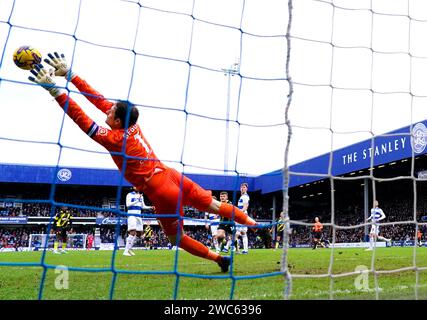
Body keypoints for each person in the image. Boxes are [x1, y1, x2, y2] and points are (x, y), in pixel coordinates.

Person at [28, 53, 270, 272]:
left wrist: (54, 90)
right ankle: (256, 224)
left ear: (118, 120)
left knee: (177, 239)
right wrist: (70, 75)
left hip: (161, 190)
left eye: (111, 113)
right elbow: (98, 99)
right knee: (216, 207)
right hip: (172, 175)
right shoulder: (131, 124)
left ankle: (219, 259)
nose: (107, 112)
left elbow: (82, 119)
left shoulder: (114, 138)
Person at [124, 186, 155, 256]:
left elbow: (143, 206)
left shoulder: (141, 196)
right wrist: (137, 200)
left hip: (138, 216)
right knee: (132, 232)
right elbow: (127, 205)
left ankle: (129, 249)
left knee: (139, 234)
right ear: (133, 187)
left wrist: (150, 207)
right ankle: (125, 251)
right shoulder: (129, 195)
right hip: (131, 215)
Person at [234, 183, 250, 254]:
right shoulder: (243, 196)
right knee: (243, 233)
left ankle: (229, 247)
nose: (242, 188)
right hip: (243, 215)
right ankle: (245, 250)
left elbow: (245, 207)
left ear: (246, 189)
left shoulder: (245, 197)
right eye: (241, 187)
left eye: (244, 187)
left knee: (237, 232)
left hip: (242, 215)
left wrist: (238, 213)